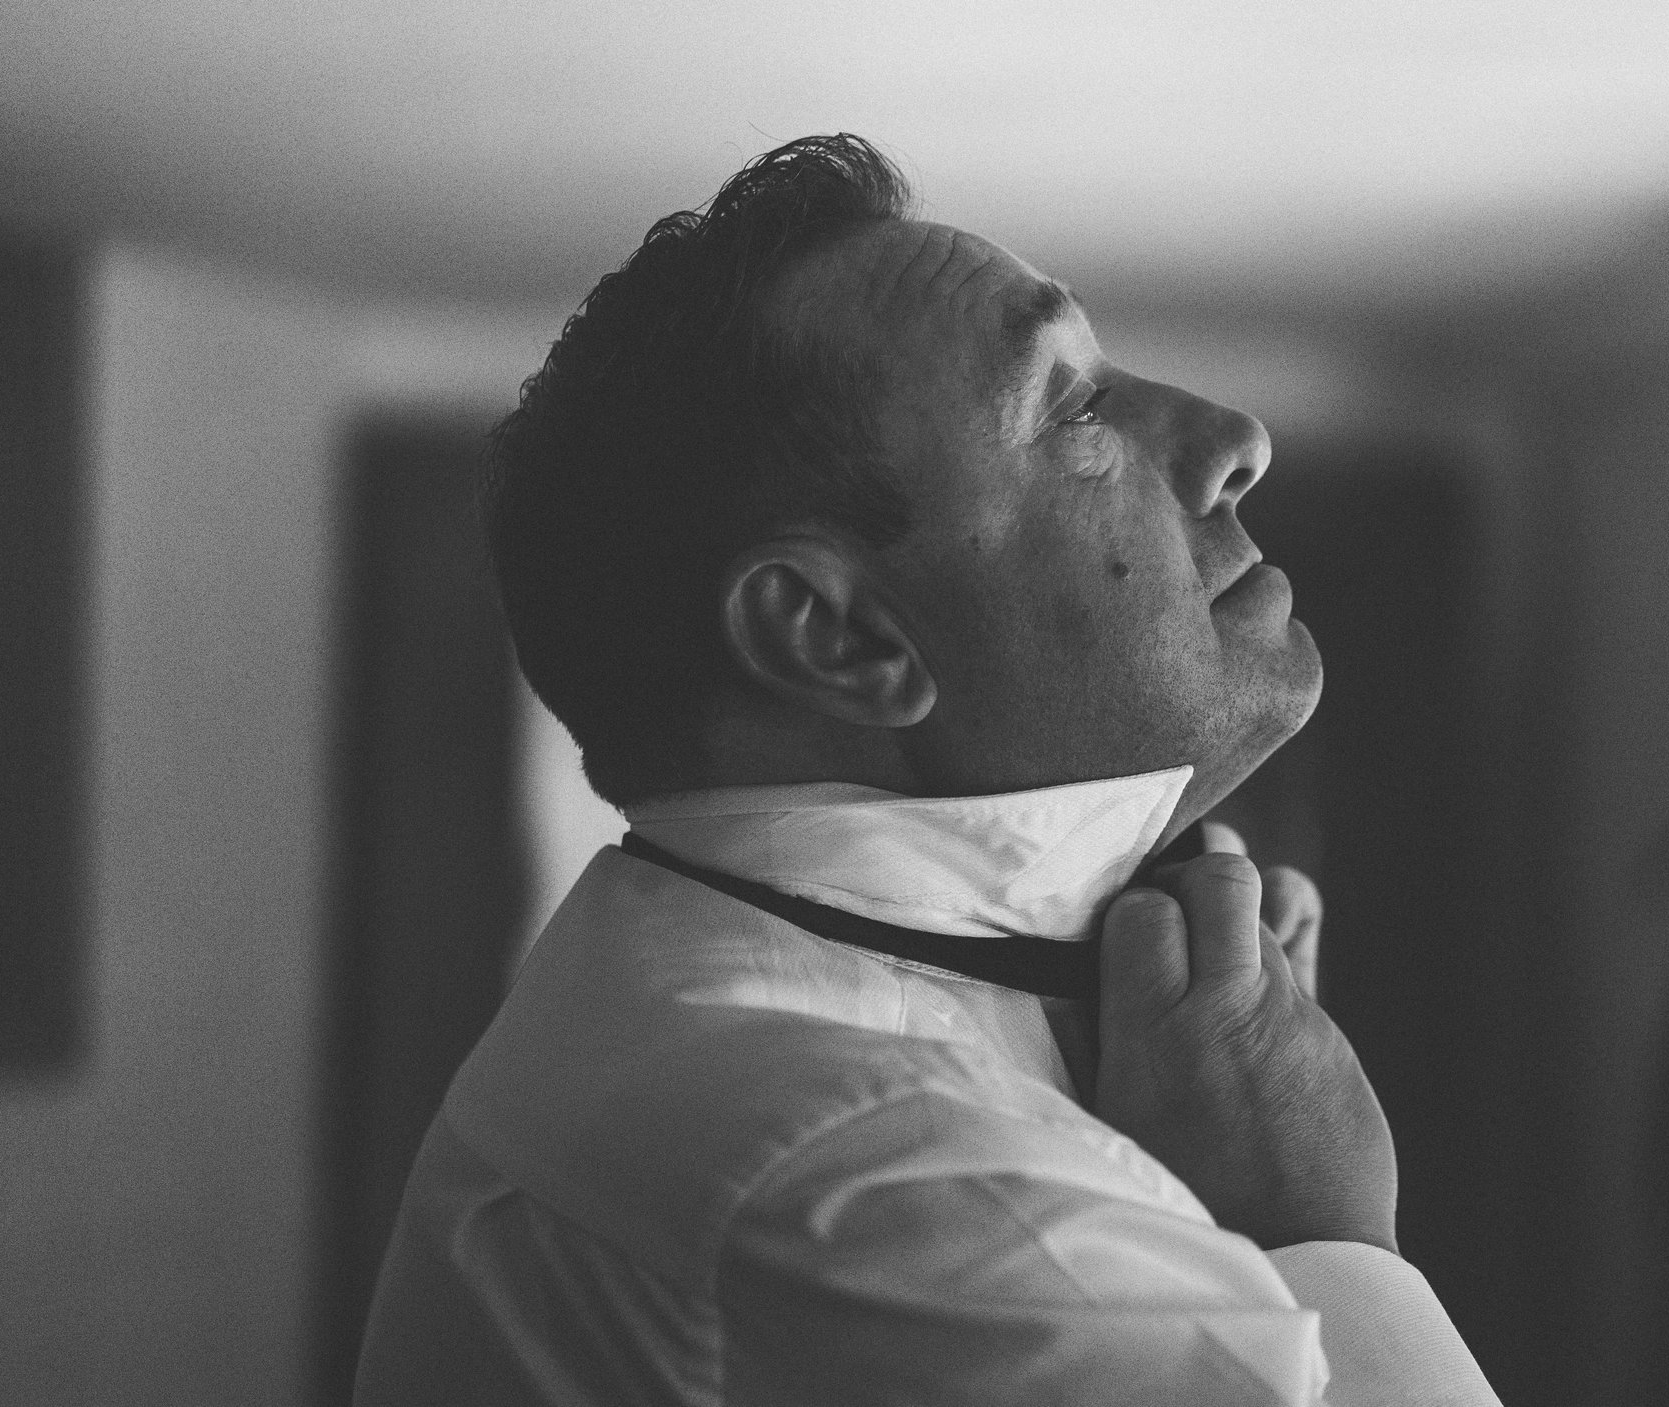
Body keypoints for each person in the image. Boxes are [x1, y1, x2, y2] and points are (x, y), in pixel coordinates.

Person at [353, 133, 1499, 1407]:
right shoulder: (879, 1184)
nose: (1234, 439)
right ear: (837, 634)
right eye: (1070, 408)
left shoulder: (701, 1010)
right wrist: (1316, 1231)